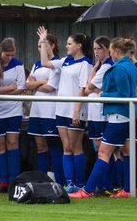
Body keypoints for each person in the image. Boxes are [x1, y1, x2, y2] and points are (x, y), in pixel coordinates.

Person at [69, 37, 137, 199]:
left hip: (119, 116)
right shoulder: (129, 64)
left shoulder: (120, 68)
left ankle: (86, 191)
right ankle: (132, 188)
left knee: (103, 153)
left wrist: (104, 95)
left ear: (116, 51)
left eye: (110, 52)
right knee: (129, 151)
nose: (110, 55)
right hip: (127, 115)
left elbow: (123, 95)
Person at [38, 26, 93, 193]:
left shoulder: (85, 63)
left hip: (74, 110)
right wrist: (43, 40)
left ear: (79, 45)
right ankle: (70, 184)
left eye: (70, 43)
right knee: (66, 147)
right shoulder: (65, 61)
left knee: (76, 147)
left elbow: (83, 89)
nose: (67, 46)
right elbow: (44, 63)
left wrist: (77, 111)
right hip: (60, 110)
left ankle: (80, 183)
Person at [26, 32, 65, 186]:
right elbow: (27, 85)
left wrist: (37, 84)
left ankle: (60, 182)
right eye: (38, 46)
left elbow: (50, 87)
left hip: (51, 111)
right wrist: (41, 82)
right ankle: (41, 182)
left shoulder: (58, 63)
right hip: (36, 111)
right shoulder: (36, 64)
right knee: (41, 147)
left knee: (55, 147)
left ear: (52, 46)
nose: (40, 48)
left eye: (43, 45)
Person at [0, 37, 26, 193]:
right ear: (0, 52)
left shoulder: (18, 64)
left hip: (14, 109)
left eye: (12, 55)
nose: (10, 58)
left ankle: (14, 180)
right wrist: (9, 87)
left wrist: (1, 89)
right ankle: (3, 182)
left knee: (12, 143)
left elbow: (21, 87)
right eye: (7, 55)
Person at [84, 36, 114, 195]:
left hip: (101, 113)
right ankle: (102, 184)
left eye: (99, 49)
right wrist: (94, 88)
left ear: (107, 49)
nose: (96, 52)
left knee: (103, 150)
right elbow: (88, 89)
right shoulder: (101, 66)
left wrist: (94, 72)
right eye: (94, 49)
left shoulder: (107, 66)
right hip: (94, 112)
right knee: (98, 148)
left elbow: (89, 86)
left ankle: (106, 185)